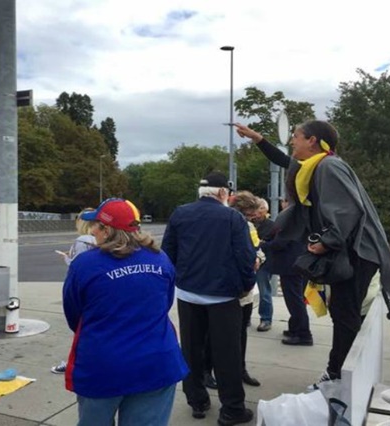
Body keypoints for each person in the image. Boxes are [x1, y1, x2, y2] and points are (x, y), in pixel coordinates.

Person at [234, 120, 390, 389]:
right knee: (344, 312)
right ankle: (342, 374)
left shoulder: (328, 167)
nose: (292, 141)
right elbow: (286, 161)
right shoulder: (316, 166)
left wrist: (326, 242)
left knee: (344, 313)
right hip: (352, 250)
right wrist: (258, 139)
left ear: (312, 141)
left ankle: (337, 377)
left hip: (357, 251)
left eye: (297, 137)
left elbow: (347, 210)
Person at [63, 198, 188, 426]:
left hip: (104, 365)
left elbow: (74, 315)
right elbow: (165, 304)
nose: (92, 231)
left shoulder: (85, 264)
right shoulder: (161, 259)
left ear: (107, 230)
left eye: (95, 226)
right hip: (156, 362)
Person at [162, 172, 256, 426]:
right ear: (224, 193)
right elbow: (245, 258)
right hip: (223, 295)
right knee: (228, 354)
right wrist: (247, 286)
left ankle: (197, 400)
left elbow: (168, 252)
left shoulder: (180, 213)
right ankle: (232, 408)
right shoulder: (232, 217)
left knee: (191, 349)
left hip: (188, 293)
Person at [202, 191, 262, 390]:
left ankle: (240, 369)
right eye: (248, 215)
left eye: (253, 216)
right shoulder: (220, 224)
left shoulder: (250, 227)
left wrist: (258, 260)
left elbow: (258, 249)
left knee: (241, 332)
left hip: (245, 289)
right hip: (224, 289)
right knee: (212, 334)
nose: (251, 219)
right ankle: (206, 371)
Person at [259, 200, 313, 346]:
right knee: (296, 298)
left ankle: (303, 333)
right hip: (298, 263)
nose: (282, 202)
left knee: (294, 300)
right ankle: (295, 328)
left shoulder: (291, 219)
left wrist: (263, 244)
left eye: (285, 200)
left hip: (290, 265)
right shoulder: (303, 216)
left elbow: (280, 243)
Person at [51, 207, 96, 374]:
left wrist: (67, 259)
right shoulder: (100, 240)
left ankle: (75, 362)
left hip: (84, 292)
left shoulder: (82, 241)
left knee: (81, 329)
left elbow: (78, 268)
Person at [248, 197, 274, 332]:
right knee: (246, 290)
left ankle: (266, 319)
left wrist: (261, 244)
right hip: (248, 261)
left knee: (264, 292)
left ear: (265, 210)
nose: (255, 211)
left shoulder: (271, 225)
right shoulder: (247, 223)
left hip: (264, 263)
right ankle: (246, 318)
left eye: (258, 208)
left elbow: (273, 244)